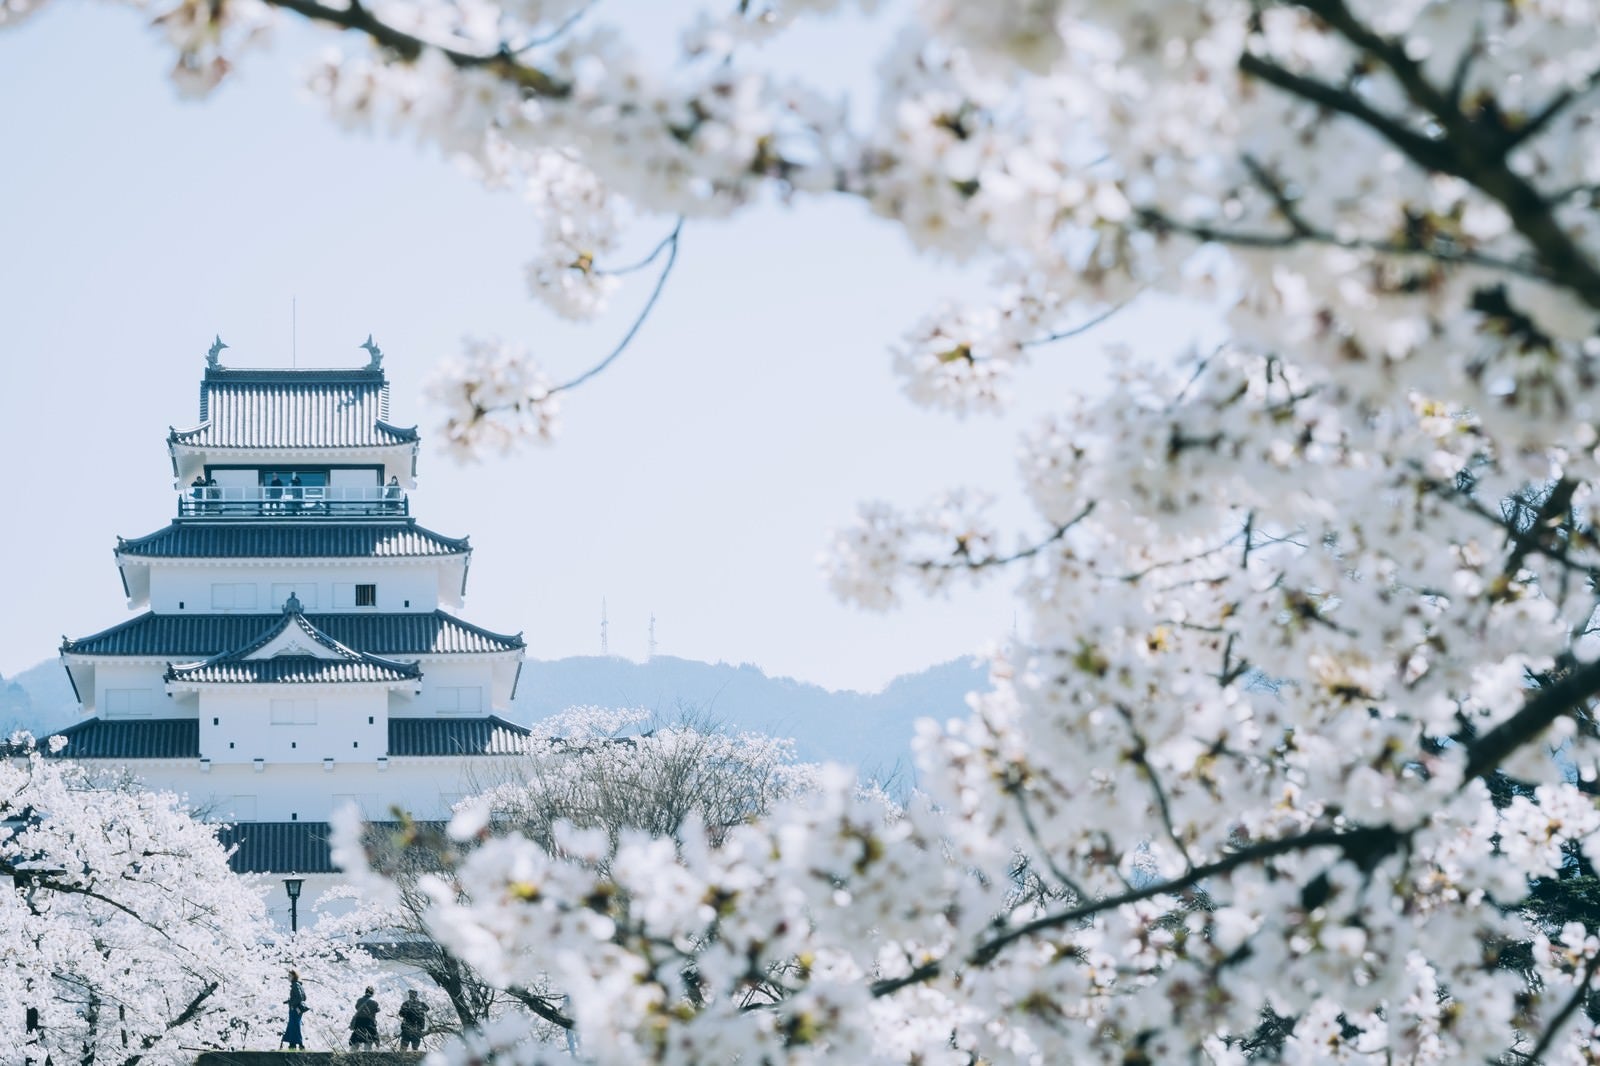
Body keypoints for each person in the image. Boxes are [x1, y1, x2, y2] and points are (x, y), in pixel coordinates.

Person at [280, 970, 307, 1051]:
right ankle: (293, 1044)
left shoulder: (295, 985)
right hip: (298, 1010)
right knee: (293, 1026)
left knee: (294, 1026)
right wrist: (289, 1001)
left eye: (289, 976)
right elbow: (304, 997)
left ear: (294, 976)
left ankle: (299, 1044)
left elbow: (299, 997)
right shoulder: (299, 985)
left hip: (294, 1009)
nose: (288, 977)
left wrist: (292, 1004)